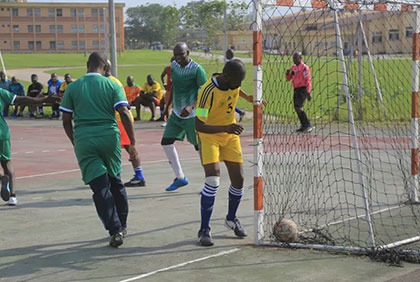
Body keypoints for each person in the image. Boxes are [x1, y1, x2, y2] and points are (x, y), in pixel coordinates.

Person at [59, 52, 138, 248]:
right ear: (104, 66)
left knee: (100, 187)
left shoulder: (73, 87)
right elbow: (125, 114)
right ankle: (123, 224)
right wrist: (133, 144)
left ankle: (115, 229)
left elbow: (66, 120)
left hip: (85, 139)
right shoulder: (112, 84)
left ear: (88, 65)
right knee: (115, 180)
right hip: (109, 137)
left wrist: (75, 141)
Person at [195, 59, 248, 246]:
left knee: (239, 178)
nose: (239, 86)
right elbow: (199, 124)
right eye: (237, 81)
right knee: (213, 179)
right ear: (226, 77)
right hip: (209, 136)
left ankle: (231, 219)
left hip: (229, 135)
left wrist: (249, 98)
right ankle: (204, 229)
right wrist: (226, 127)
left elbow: (235, 90)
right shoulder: (207, 91)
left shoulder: (232, 83)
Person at [0, 88, 60, 206]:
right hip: (3, 132)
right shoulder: (1, 91)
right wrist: (44, 99)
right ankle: (13, 196)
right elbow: (22, 99)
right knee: (7, 162)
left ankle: (2, 178)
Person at [161, 42, 207, 192]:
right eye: (176, 54)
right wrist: (167, 106)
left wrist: (191, 107)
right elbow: (173, 86)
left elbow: (204, 94)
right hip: (177, 113)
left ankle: (210, 182)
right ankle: (180, 177)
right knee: (166, 142)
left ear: (188, 52)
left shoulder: (197, 70)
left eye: (182, 54)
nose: (178, 57)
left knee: (199, 147)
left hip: (193, 114)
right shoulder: (174, 66)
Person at [105, 65, 146, 187]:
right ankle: (138, 175)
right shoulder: (112, 81)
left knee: (124, 147)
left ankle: (136, 176)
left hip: (120, 119)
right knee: (125, 147)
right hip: (118, 119)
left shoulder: (110, 82)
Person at [286, 51, 313, 133]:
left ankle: (308, 125)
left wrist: (308, 91)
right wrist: (287, 74)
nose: (294, 60)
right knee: (296, 107)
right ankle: (303, 125)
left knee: (299, 106)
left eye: (296, 58)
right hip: (296, 89)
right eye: (293, 58)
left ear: (300, 58)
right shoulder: (293, 67)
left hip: (303, 89)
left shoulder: (304, 68)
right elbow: (288, 79)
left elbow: (307, 80)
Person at [160, 56, 175, 127]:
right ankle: (168, 121)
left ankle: (176, 121)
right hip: (169, 90)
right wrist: (164, 84)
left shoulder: (180, 69)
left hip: (177, 90)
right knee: (168, 106)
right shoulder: (167, 69)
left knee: (177, 106)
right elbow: (162, 75)